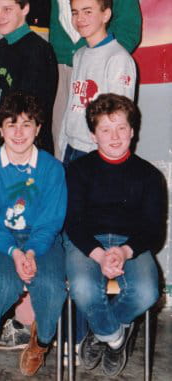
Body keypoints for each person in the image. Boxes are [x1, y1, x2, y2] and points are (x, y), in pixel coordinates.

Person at [65, 94, 165, 377]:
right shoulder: (78, 170)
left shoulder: (149, 176)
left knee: (146, 292)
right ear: (93, 135)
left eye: (121, 128)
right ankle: (115, 336)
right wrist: (99, 255)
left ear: (132, 131)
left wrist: (124, 251)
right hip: (86, 243)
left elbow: (154, 230)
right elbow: (72, 222)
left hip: (131, 245)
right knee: (83, 288)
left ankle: (101, 333)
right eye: (105, 129)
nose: (115, 136)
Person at [0, 93, 67, 376]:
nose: (19, 133)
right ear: (0, 129)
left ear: (38, 129)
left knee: (52, 287)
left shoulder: (52, 168)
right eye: (11, 124)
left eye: (27, 124)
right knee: (3, 284)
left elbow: (50, 222)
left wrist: (30, 251)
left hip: (40, 238)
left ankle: (41, 343)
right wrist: (15, 253)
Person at [46, 0, 141, 158]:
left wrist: (105, 55)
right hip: (62, 66)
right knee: (62, 132)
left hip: (101, 65)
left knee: (104, 133)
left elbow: (130, 22)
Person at [58, 0, 136, 163]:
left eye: (88, 12)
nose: (80, 18)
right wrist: (63, 143)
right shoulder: (79, 54)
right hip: (72, 147)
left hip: (95, 151)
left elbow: (120, 117)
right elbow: (72, 104)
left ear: (105, 15)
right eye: (75, 12)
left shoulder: (118, 58)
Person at [0, 0, 57, 155]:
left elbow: (33, 114)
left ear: (25, 9)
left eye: (7, 9)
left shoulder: (38, 51)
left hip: (23, 149)